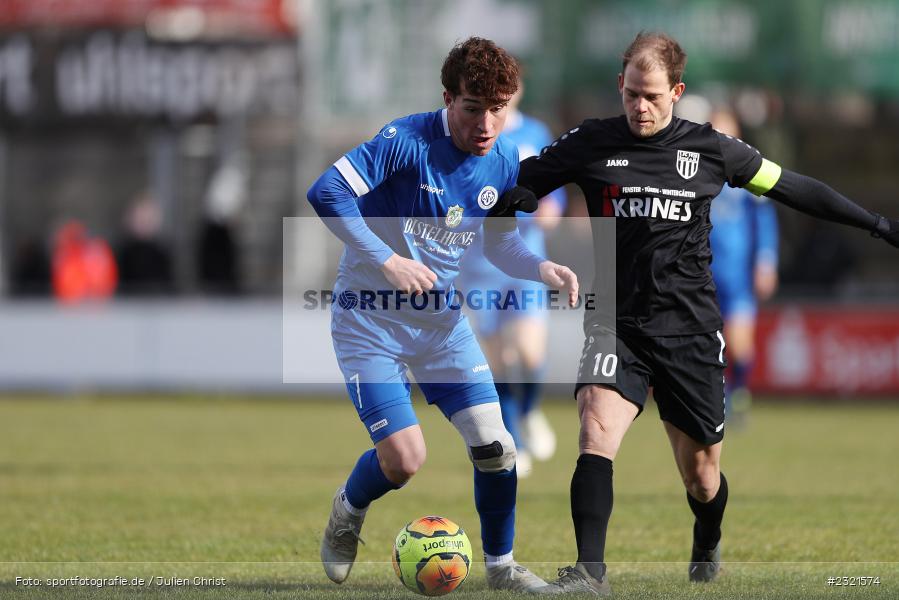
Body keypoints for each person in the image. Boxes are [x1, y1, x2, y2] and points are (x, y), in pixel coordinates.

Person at [515, 31, 899, 595]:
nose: (640, 107)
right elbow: (520, 183)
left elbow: (791, 187)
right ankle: (589, 573)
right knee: (595, 429)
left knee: (702, 477)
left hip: (689, 330)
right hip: (616, 323)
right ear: (619, 86)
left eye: (652, 96)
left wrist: (878, 224)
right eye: (631, 94)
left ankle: (707, 534)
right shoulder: (591, 142)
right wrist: (503, 203)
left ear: (676, 91)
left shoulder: (712, 150)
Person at [306, 37, 578, 593]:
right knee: (405, 460)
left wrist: (540, 268)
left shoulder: (504, 159)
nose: (486, 124)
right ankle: (347, 511)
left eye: (498, 109)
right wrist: (387, 261)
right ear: (448, 98)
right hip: (369, 321)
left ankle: (502, 569)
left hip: (441, 326)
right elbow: (326, 191)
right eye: (474, 108)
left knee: (497, 447)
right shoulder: (405, 141)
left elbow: (500, 243)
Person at [457, 76, 567, 477]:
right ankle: (515, 443)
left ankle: (529, 410)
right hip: (479, 268)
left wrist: (552, 208)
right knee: (498, 360)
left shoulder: (535, 132)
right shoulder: (470, 133)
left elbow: (554, 185)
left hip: (524, 261)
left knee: (530, 353)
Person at [706, 109, 779, 425]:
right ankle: (718, 400)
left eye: (726, 133)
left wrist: (766, 262)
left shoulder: (749, 170)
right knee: (707, 344)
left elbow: (765, 221)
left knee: (739, 342)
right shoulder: (694, 171)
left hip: (737, 275)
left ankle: (738, 394)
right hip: (701, 273)